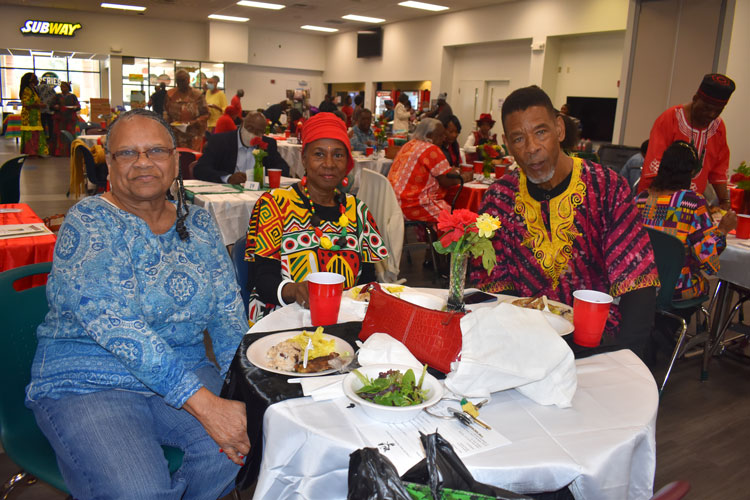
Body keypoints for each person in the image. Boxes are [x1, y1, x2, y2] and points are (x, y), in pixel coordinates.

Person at [25, 109, 249, 498]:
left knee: (244, 444)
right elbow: (117, 327)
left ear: (176, 160)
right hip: (88, 379)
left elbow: (228, 316)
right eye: (127, 153)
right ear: (109, 164)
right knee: (139, 490)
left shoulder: (198, 223)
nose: (143, 162)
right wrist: (209, 406)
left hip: (184, 365)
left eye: (156, 151)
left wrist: (243, 395)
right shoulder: (88, 221)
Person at [470, 85, 659, 358]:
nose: (532, 148)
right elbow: (492, 283)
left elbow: (637, 280)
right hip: (524, 341)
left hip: (596, 340)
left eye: (541, 132)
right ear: (507, 145)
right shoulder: (500, 199)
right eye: (519, 139)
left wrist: (628, 357)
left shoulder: (607, 188)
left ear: (559, 129)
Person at [243, 112, 388, 323]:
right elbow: (262, 280)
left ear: (347, 161)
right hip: (281, 318)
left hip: (344, 319)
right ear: (303, 158)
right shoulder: (275, 204)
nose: (329, 163)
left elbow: (367, 283)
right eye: (319, 154)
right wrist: (293, 290)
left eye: (338, 155)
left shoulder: (358, 211)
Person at [637, 141, 737, 301]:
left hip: (639, 285)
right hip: (676, 288)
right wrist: (724, 229)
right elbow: (707, 258)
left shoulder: (640, 199)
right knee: (703, 282)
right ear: (691, 172)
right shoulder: (692, 203)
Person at [638, 73, 736, 209]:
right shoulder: (670, 119)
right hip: (659, 201)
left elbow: (719, 169)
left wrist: (725, 202)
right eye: (707, 108)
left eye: (718, 111)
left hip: (692, 206)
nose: (711, 115)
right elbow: (655, 166)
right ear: (695, 99)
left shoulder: (718, 128)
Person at [388, 118, 472, 223]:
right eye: (440, 135)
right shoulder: (431, 149)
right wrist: (464, 177)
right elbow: (446, 181)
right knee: (458, 220)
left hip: (392, 203)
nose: (444, 138)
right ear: (429, 136)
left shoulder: (409, 145)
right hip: (413, 205)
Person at [194, 111, 290, 184]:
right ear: (243, 124)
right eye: (250, 128)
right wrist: (228, 178)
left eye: (258, 132)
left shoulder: (268, 144)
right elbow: (200, 169)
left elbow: (284, 169)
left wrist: (261, 177)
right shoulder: (220, 141)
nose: (253, 134)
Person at [163, 69, 209, 150]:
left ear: (188, 80)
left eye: (183, 80)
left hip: (193, 135)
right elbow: (166, 112)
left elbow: (206, 114)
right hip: (175, 135)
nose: (181, 83)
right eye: (178, 81)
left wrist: (194, 122)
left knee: (192, 158)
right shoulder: (170, 95)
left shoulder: (197, 95)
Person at [19, 72, 49, 157]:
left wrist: (40, 104)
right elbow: (26, 103)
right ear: (31, 80)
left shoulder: (33, 89)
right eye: (35, 78)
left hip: (36, 115)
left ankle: (37, 151)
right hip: (29, 117)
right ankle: (31, 151)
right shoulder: (26, 90)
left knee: (37, 133)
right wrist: (39, 105)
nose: (37, 80)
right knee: (31, 134)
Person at [51, 81, 81, 157]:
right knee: (59, 135)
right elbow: (51, 105)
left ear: (68, 88)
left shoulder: (73, 96)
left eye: (64, 87)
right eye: (61, 86)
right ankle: (59, 152)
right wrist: (55, 107)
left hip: (70, 119)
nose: (62, 88)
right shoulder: (57, 96)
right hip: (59, 119)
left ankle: (70, 151)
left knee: (70, 134)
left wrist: (75, 107)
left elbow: (78, 106)